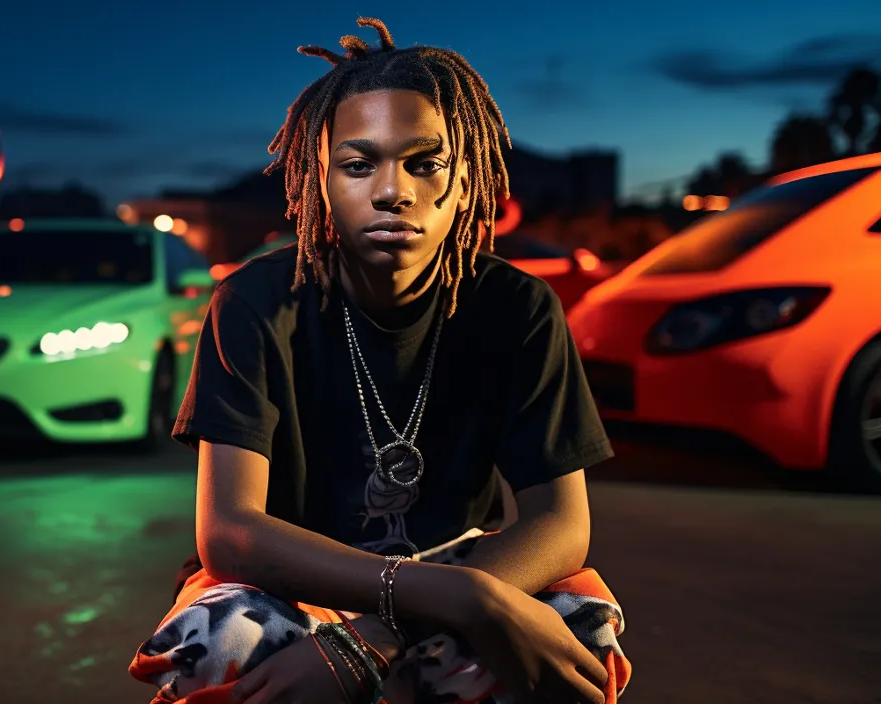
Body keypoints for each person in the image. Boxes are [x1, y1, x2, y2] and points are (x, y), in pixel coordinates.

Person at [130, 17, 630, 704]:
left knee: (579, 640)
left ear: (466, 180)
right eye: (359, 165)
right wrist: (416, 609)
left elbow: (560, 521)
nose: (393, 191)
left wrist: (384, 631)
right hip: (298, 577)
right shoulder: (253, 303)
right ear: (320, 180)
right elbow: (231, 532)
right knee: (218, 645)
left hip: (462, 569)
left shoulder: (518, 308)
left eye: (424, 163)